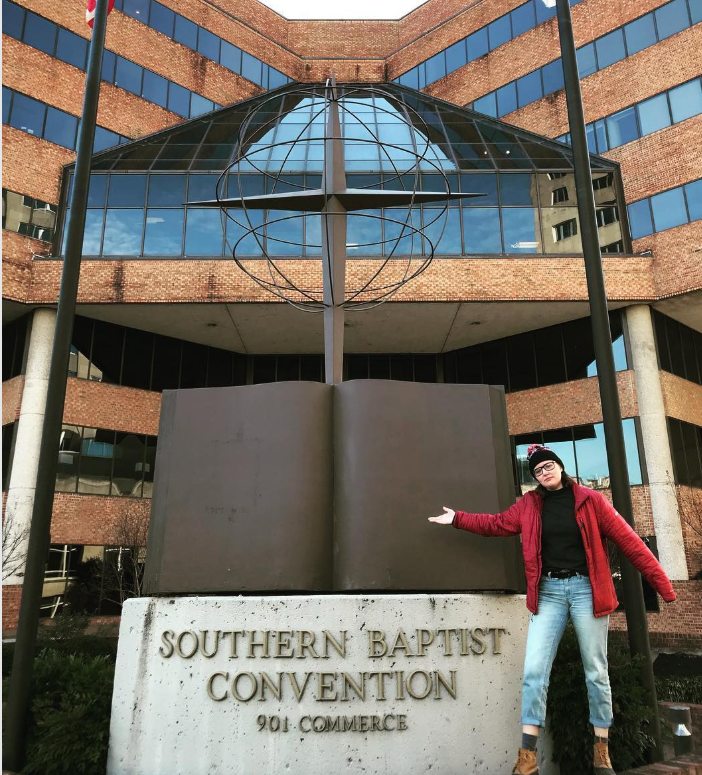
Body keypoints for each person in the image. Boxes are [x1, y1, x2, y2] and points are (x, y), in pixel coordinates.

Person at [428, 443, 676, 775]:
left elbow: (630, 541)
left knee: (596, 671)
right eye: (537, 471)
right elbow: (496, 524)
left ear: (560, 466)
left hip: (587, 591)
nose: (543, 473)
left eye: (548, 467)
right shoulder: (528, 506)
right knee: (533, 672)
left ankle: (601, 750)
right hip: (549, 594)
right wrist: (458, 518)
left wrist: (664, 586)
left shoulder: (591, 501)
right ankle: (527, 757)